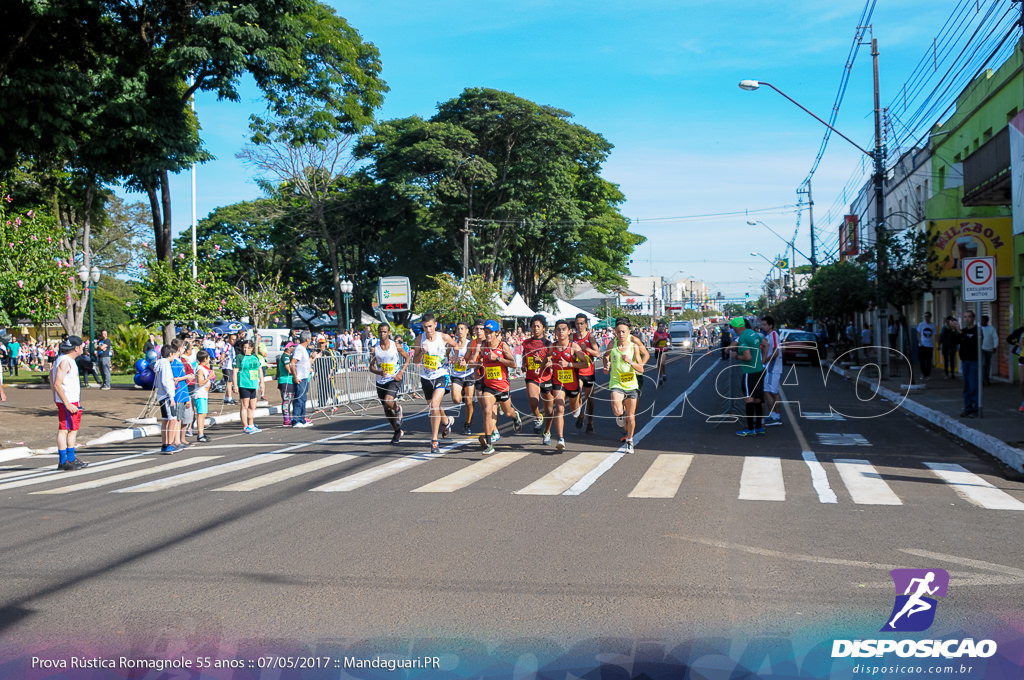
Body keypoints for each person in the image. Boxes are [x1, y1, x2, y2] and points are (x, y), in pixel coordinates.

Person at [412, 313, 459, 455]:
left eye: (430, 327)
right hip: (426, 377)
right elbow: (415, 360)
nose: (428, 330)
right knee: (434, 406)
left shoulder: (443, 337)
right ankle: (446, 422)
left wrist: (454, 357)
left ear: (435, 325)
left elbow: (455, 346)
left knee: (434, 405)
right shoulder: (419, 339)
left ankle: (434, 441)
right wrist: (421, 351)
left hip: (441, 374)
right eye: (425, 327)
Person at [475, 319, 522, 455]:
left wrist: (498, 359)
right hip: (488, 386)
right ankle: (489, 444)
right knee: (487, 410)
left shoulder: (503, 346)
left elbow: (513, 364)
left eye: (490, 332)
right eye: (486, 332)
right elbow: (475, 360)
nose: (488, 335)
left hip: (502, 387)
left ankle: (515, 416)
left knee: (507, 412)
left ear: (497, 333)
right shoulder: (483, 345)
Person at [603, 317, 649, 454]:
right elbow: (606, 356)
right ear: (615, 332)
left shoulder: (634, 343)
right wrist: (607, 365)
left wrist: (635, 364)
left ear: (629, 331)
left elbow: (644, 358)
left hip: (632, 382)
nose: (621, 334)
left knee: (631, 416)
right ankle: (620, 415)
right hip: (617, 382)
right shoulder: (612, 344)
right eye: (618, 332)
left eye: (624, 331)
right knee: (618, 410)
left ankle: (629, 440)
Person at [544, 319, 590, 451]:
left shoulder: (574, 347)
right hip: (559, 382)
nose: (560, 332)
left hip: (573, 382)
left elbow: (585, 364)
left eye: (563, 329)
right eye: (558, 329)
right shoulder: (552, 347)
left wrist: (570, 364)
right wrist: (544, 365)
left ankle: (578, 405)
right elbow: (547, 357)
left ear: (569, 331)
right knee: (559, 408)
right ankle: (560, 438)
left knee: (574, 411)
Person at [50, 335, 88, 470]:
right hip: (68, 401)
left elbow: (51, 376)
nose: (83, 349)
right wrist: (65, 402)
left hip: (71, 400)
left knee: (72, 429)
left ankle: (70, 458)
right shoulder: (65, 361)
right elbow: (57, 384)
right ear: (76, 348)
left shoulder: (64, 360)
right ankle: (64, 461)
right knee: (65, 429)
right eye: (81, 347)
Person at [369, 323, 410, 444]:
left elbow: (407, 358)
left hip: (394, 378)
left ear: (389, 333)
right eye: (380, 332)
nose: (382, 334)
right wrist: (379, 371)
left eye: (385, 332)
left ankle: (397, 409)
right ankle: (397, 431)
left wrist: (401, 373)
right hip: (380, 380)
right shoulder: (374, 349)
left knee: (388, 402)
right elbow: (371, 367)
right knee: (386, 409)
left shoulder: (395, 345)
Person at [731, 317, 768, 436]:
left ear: (738, 327)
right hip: (759, 369)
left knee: (749, 399)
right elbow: (765, 344)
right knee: (758, 398)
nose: (733, 329)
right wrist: (763, 360)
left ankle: (750, 428)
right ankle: (759, 426)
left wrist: (736, 356)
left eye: (734, 327)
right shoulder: (754, 333)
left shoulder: (743, 337)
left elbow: (747, 357)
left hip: (749, 371)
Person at [521, 315, 554, 437]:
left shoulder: (549, 344)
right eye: (533, 326)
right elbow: (525, 356)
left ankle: (547, 431)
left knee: (549, 409)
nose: (535, 329)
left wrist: (541, 362)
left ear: (543, 328)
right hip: (532, 377)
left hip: (546, 377)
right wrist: (524, 365)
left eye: (538, 326)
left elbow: (551, 364)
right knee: (533, 400)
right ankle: (538, 416)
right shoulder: (526, 343)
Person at [572, 314, 601, 433]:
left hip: (588, 371)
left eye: (582, 323)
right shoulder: (572, 337)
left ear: (586, 324)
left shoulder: (590, 337)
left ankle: (590, 420)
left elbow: (598, 354)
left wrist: (586, 348)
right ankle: (581, 414)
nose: (579, 326)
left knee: (589, 399)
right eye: (577, 323)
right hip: (577, 370)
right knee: (576, 393)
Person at [447, 321, 478, 435]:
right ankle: (463, 395)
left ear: (466, 331)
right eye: (458, 329)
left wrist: (466, 362)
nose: (460, 331)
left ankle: (467, 424)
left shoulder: (470, 344)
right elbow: (447, 355)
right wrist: (450, 360)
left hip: (468, 374)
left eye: (462, 329)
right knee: (456, 399)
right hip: (456, 375)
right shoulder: (453, 344)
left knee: (469, 402)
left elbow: (474, 358)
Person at [952, 310, 979, 418]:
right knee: (966, 386)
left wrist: (961, 332)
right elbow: (955, 341)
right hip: (965, 361)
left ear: (973, 318)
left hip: (974, 361)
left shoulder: (977, 331)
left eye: (969, 317)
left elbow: (973, 343)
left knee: (973, 386)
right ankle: (967, 408)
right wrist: (955, 330)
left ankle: (976, 408)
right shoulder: (962, 331)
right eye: (965, 317)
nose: (967, 319)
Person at [234, 339, 265, 433]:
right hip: (244, 383)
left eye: (248, 348)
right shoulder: (240, 357)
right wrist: (235, 385)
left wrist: (262, 382)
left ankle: (251, 424)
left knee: (252, 406)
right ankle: (245, 426)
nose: (246, 349)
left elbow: (259, 369)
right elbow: (235, 371)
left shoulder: (255, 357)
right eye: (244, 347)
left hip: (253, 383)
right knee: (245, 405)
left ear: (252, 348)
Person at [153, 343, 179, 454]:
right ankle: (169, 444)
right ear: (170, 354)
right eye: (174, 355)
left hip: (161, 395)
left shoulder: (160, 364)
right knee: (172, 420)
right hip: (167, 396)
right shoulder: (166, 365)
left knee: (165, 420)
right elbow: (165, 381)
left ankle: (165, 443)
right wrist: (171, 397)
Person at [760, 315, 783, 427]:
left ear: (771, 325)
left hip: (772, 368)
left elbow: (776, 352)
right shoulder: (769, 335)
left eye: (765, 324)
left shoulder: (773, 334)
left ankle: (775, 416)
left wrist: (765, 361)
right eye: (762, 324)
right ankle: (774, 415)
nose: (762, 326)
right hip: (772, 367)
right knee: (770, 391)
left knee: (770, 392)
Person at [290, 331, 315, 427]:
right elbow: (293, 362)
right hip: (300, 378)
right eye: (310, 339)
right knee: (299, 399)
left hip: (305, 377)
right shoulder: (299, 349)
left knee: (303, 399)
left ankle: (302, 419)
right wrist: (295, 376)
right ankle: (296, 420)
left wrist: (312, 358)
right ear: (307, 339)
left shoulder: (303, 349)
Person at [193, 349, 215, 442]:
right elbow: (200, 383)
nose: (209, 359)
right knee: (201, 414)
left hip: (204, 394)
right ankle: (200, 434)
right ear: (205, 359)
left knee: (204, 414)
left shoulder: (204, 368)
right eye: (208, 358)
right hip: (199, 394)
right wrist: (209, 378)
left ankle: (201, 433)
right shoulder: (200, 369)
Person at [277, 342, 296, 426]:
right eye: (292, 347)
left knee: (290, 400)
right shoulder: (285, 357)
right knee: (286, 401)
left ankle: (289, 418)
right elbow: (289, 369)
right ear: (288, 348)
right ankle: (286, 419)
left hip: (289, 381)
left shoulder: (288, 357)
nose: (293, 348)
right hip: (285, 381)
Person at [916, 312, 936, 381]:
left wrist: (935, 343)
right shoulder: (921, 324)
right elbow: (918, 333)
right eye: (925, 316)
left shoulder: (933, 325)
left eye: (927, 316)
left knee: (928, 360)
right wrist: (920, 342)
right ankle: (923, 373)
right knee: (922, 360)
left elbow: (934, 335)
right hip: (922, 345)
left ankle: (927, 374)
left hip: (929, 345)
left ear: (930, 317)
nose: (926, 318)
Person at [980, 315, 997, 387]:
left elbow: (995, 337)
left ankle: (986, 379)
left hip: (989, 349)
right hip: (981, 349)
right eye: (981, 320)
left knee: (987, 365)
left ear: (987, 321)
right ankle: (982, 380)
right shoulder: (978, 328)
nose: (982, 321)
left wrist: (995, 346)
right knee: (983, 364)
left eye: (984, 320)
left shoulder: (991, 328)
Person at [221, 333, 237, 404]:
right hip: (226, 366)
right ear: (229, 339)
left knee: (229, 382)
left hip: (230, 366)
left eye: (235, 339)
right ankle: (229, 398)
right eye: (232, 339)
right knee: (229, 382)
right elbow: (223, 353)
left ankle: (227, 397)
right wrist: (221, 361)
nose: (234, 341)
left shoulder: (232, 347)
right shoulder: (227, 346)